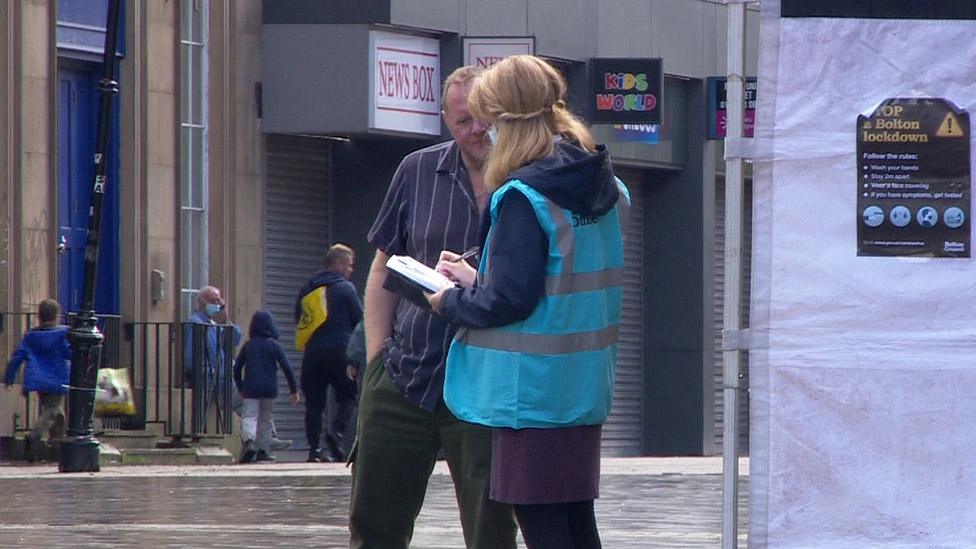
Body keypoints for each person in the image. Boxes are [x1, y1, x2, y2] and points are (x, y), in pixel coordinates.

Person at [427, 55, 629, 549]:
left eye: (487, 120)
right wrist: (483, 277)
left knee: (543, 527)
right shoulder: (598, 185)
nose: (483, 132)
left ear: (504, 121)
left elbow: (509, 302)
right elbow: (556, 278)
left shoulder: (522, 195)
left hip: (530, 395)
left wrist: (449, 301)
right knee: (576, 523)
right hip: (580, 386)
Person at [349, 66, 518, 549]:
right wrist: (377, 356)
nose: (478, 130)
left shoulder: (526, 179)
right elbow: (382, 266)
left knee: (491, 530)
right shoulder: (417, 170)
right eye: (464, 121)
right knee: (373, 522)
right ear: (446, 120)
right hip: (407, 371)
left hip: (486, 380)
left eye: (486, 118)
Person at [185, 286, 291, 450]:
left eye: (220, 301)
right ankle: (264, 440)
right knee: (249, 402)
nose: (219, 304)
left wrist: (225, 318)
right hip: (213, 376)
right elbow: (190, 358)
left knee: (251, 403)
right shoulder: (196, 323)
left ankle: (261, 442)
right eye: (214, 301)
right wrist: (208, 371)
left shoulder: (215, 324)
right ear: (202, 303)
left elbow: (234, 338)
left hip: (224, 375)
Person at [294, 243, 363, 463]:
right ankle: (336, 434)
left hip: (313, 353)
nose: (351, 270)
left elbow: (299, 319)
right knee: (348, 397)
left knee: (314, 402)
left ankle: (314, 449)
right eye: (349, 265)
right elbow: (359, 321)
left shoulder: (307, 289)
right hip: (340, 352)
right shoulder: (345, 289)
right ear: (338, 264)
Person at [3, 299, 71, 462]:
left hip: (38, 379)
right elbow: (70, 353)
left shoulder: (31, 336)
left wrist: (9, 377)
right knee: (53, 410)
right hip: (57, 378)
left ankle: (55, 447)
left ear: (39, 316)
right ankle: (34, 436)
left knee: (55, 413)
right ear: (56, 315)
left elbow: (17, 357)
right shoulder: (62, 334)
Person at [233, 309, 300, 463]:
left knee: (250, 415)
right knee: (265, 419)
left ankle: (249, 442)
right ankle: (263, 450)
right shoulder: (275, 345)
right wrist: (293, 390)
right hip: (270, 388)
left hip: (250, 388)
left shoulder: (248, 346)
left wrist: (240, 387)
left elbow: (237, 368)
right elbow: (287, 368)